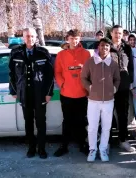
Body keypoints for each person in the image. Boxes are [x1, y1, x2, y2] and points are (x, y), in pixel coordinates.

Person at [9, 28, 54, 159]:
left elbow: (50, 75)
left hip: (40, 94)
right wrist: (13, 90)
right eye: (28, 36)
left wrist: (48, 92)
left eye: (32, 36)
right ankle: (31, 148)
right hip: (24, 93)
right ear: (23, 37)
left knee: (41, 122)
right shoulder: (16, 52)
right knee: (28, 122)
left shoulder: (43, 53)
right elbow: (11, 73)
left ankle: (42, 149)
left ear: (36, 37)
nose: (30, 39)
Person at [81, 37, 120, 162]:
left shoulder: (113, 63)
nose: (105, 48)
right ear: (99, 47)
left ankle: (103, 149)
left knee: (106, 127)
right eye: (102, 45)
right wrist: (90, 87)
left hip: (108, 101)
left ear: (109, 48)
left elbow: (117, 79)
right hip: (93, 101)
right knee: (92, 127)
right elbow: (83, 78)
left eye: (107, 46)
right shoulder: (90, 62)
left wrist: (114, 89)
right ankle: (92, 149)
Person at [54, 29, 91, 157]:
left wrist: (87, 87)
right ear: (67, 39)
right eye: (71, 38)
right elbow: (57, 72)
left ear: (79, 39)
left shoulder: (86, 54)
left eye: (76, 38)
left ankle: (82, 144)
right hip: (66, 94)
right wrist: (62, 84)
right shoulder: (61, 55)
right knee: (67, 121)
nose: (74, 41)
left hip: (82, 94)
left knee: (81, 121)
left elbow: (89, 72)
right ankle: (64, 146)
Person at [110, 25, 135, 152]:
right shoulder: (105, 46)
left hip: (123, 87)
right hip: (108, 87)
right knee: (107, 115)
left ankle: (123, 140)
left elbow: (131, 67)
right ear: (111, 33)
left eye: (120, 33)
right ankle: (107, 142)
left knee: (123, 114)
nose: (117, 35)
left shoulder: (127, 48)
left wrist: (130, 81)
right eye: (115, 33)